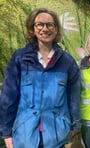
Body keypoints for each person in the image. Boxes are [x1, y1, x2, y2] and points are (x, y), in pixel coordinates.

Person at [0, 8, 81, 148]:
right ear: (33, 28)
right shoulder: (20, 58)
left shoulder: (67, 62)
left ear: (56, 29)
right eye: (40, 24)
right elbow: (8, 97)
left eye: (50, 24)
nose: (45, 29)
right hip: (25, 136)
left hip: (56, 136)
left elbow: (73, 96)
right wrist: (6, 133)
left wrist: (74, 126)